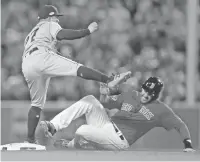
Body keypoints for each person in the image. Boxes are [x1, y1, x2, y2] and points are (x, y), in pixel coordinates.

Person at [22, 4, 131, 144]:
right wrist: (87, 31)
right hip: (41, 57)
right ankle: (108, 79)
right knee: (77, 68)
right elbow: (63, 34)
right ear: (49, 17)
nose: (57, 20)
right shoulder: (48, 24)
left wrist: (56, 53)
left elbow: (43, 44)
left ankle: (29, 139)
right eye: (56, 17)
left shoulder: (31, 33)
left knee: (36, 104)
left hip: (27, 64)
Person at [40, 76, 195, 152]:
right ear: (142, 87)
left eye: (151, 93)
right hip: (107, 125)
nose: (146, 94)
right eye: (146, 90)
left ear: (156, 95)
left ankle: (72, 145)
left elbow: (179, 125)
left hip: (119, 141)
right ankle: (53, 125)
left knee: (81, 130)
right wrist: (104, 92)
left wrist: (187, 144)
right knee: (90, 100)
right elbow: (105, 103)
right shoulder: (131, 94)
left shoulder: (161, 110)